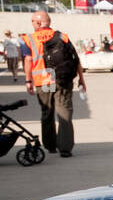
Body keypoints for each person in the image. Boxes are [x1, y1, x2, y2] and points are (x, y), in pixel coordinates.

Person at [20, 11, 85, 158]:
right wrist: (81, 78)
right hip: (62, 80)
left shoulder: (28, 39)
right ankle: (65, 148)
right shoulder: (62, 36)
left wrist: (28, 80)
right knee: (64, 113)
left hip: (43, 82)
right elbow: (75, 58)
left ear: (38, 23)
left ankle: (50, 145)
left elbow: (28, 61)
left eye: (32, 21)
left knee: (47, 113)